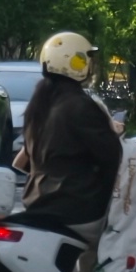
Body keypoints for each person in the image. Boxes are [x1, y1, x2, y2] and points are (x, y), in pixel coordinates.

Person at [13, 28, 123, 246]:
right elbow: (113, 156)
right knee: (131, 231)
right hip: (76, 207)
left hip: (36, 202)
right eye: (87, 59)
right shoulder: (79, 105)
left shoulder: (39, 105)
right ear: (76, 63)